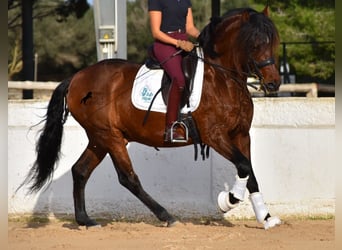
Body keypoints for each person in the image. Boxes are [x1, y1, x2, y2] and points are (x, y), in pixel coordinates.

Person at [148, 0, 200, 142]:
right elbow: (156, 32)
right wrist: (178, 43)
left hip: (185, 42)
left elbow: (190, 28)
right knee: (179, 79)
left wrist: (203, 36)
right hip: (165, 44)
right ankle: (171, 127)